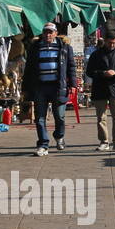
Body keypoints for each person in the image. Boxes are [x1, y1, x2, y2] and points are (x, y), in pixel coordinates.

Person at [22, 22, 76, 156]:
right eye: (46, 31)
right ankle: (43, 144)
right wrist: (25, 88)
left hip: (58, 87)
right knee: (40, 117)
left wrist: (73, 84)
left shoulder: (64, 47)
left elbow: (71, 67)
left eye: (51, 32)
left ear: (56, 33)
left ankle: (59, 136)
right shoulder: (35, 47)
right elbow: (28, 69)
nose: (48, 34)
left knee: (60, 116)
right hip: (40, 86)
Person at [86, 30, 115, 151]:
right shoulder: (96, 54)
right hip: (100, 88)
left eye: (114, 43)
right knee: (101, 117)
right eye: (110, 43)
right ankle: (104, 141)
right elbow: (89, 72)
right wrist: (102, 73)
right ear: (105, 41)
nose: (112, 45)